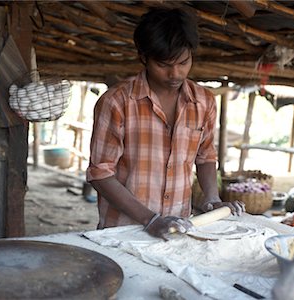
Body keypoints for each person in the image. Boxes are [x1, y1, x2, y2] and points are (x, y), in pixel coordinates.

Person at [86, 8, 245, 239]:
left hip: (178, 229)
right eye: (163, 64)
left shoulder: (204, 101)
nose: (175, 73)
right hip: (122, 232)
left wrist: (212, 199)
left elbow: (205, 156)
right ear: (144, 57)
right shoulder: (117, 102)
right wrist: (150, 219)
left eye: (183, 62)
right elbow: (100, 174)